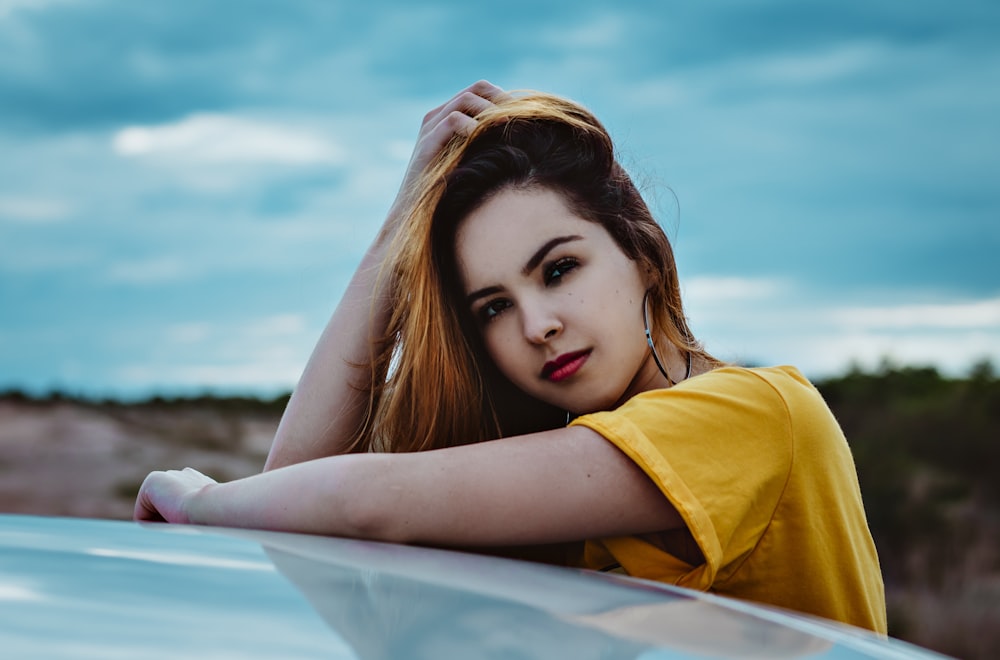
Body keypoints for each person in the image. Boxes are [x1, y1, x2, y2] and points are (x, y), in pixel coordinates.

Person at [135, 81, 887, 633]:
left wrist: (198, 501)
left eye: (559, 269)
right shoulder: (569, 470)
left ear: (644, 253)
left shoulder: (754, 413)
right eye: (493, 307)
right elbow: (286, 505)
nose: (536, 325)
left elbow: (370, 503)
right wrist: (400, 233)